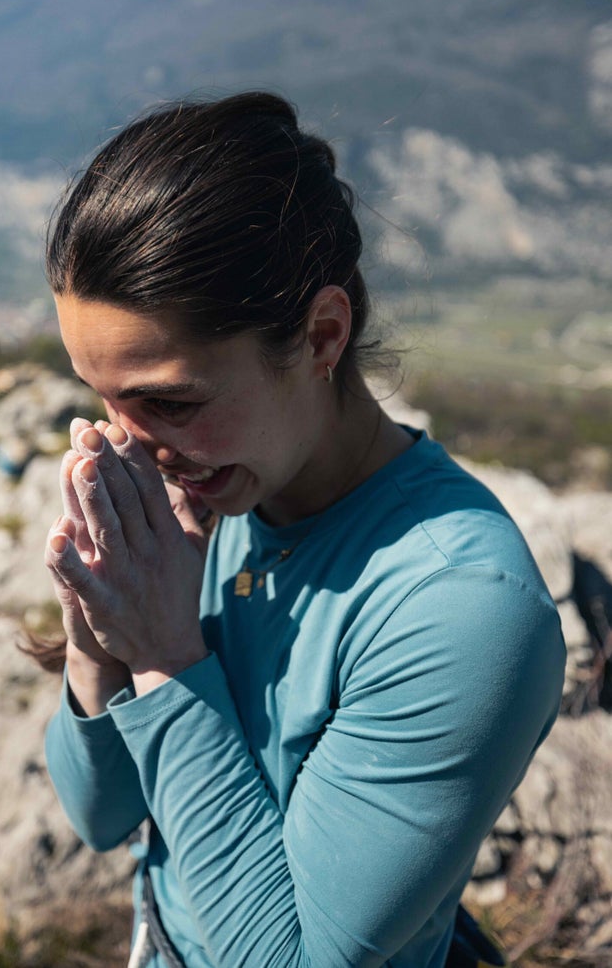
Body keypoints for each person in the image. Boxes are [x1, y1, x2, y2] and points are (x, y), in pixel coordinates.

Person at [42, 91, 566, 967]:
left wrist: (164, 653)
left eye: (171, 402)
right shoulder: (214, 497)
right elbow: (102, 815)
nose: (129, 444)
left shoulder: (460, 609)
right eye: (104, 398)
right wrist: (99, 637)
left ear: (322, 336)